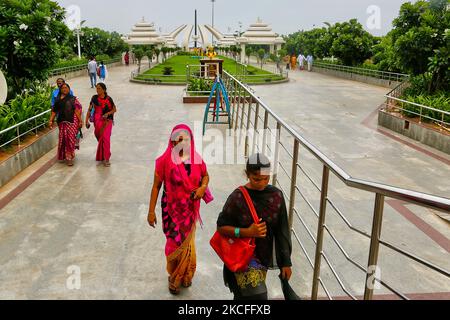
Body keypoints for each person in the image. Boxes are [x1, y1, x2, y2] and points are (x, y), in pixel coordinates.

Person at [216, 153, 292, 300]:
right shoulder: (237, 197)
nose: (262, 183)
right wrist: (247, 231)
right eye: (256, 179)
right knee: (259, 298)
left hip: (264, 256)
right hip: (244, 258)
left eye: (266, 178)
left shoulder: (276, 196)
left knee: (244, 299)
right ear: (247, 175)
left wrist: (286, 262)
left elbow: (282, 231)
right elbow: (221, 227)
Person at [147, 124, 212, 295]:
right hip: (171, 210)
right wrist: (151, 211)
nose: (183, 143)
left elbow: (205, 174)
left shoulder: (196, 158)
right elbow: (156, 186)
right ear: (172, 141)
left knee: (188, 244)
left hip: (190, 210)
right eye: (179, 139)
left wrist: (202, 187)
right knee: (173, 244)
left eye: (187, 139)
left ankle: (185, 274)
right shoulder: (164, 161)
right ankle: (174, 275)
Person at [48, 83, 83, 166]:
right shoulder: (57, 100)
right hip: (62, 121)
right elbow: (54, 111)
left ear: (69, 89)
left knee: (70, 138)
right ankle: (68, 157)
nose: (65, 89)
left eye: (66, 88)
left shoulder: (73, 99)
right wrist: (50, 120)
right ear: (60, 89)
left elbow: (77, 111)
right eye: (63, 88)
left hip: (72, 121)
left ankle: (70, 155)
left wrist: (80, 121)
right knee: (64, 139)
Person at [85, 83, 117, 167]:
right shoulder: (94, 98)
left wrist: (108, 113)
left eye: (99, 88)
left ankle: (106, 158)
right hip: (97, 120)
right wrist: (86, 120)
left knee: (106, 138)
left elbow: (114, 109)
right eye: (96, 88)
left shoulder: (109, 99)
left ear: (104, 90)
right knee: (99, 137)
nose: (97, 90)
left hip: (107, 121)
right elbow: (89, 109)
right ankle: (103, 154)